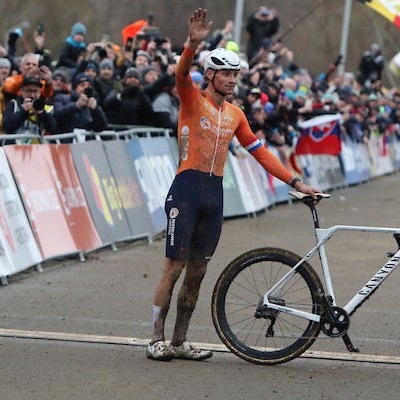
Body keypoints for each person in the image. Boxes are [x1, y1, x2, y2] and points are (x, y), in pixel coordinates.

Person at [146, 8, 321, 362]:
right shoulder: (193, 100)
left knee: (197, 271)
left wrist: (296, 181)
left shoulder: (236, 114)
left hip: (214, 195)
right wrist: (191, 46)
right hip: (186, 190)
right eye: (226, 73)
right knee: (174, 267)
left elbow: (260, 153)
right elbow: (181, 75)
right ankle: (155, 339)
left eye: (235, 74)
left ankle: (179, 341)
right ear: (210, 75)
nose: (232, 80)